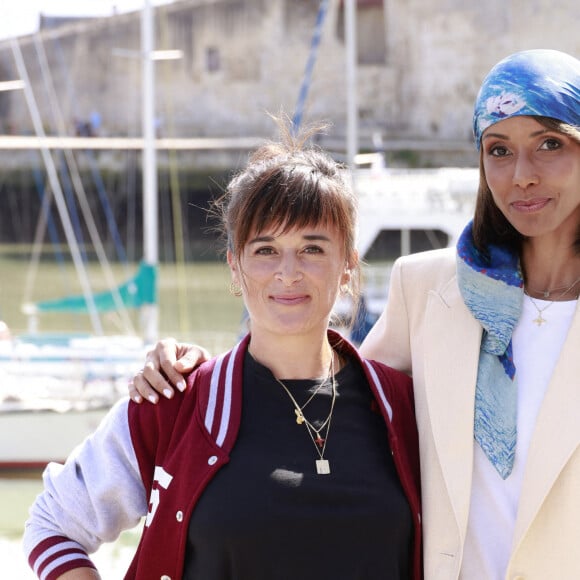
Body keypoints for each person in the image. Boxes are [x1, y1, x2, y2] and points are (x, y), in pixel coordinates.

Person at [130, 48, 580, 579]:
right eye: (498, 149)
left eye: (550, 144)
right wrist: (196, 377)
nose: (522, 174)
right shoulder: (428, 289)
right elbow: (321, 392)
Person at [23, 118, 422, 580]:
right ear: (235, 268)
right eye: (265, 249)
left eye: (312, 248)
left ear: (348, 265)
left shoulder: (401, 406)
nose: (288, 272)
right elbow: (53, 523)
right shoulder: (174, 402)